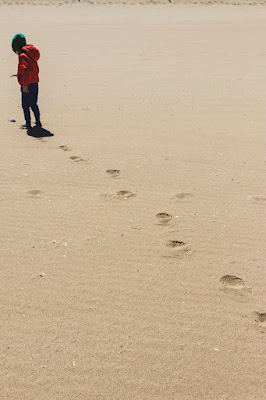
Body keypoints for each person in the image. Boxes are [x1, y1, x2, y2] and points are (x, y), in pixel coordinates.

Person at [11, 34, 42, 131]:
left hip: (27, 84)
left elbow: (26, 70)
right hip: (35, 83)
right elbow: (30, 69)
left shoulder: (22, 56)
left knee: (25, 105)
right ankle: (38, 122)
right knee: (33, 104)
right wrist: (18, 74)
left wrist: (25, 84)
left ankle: (28, 124)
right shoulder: (30, 54)